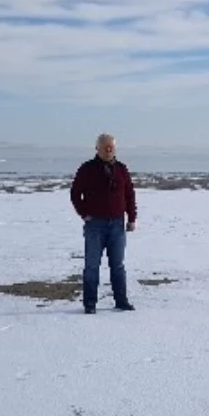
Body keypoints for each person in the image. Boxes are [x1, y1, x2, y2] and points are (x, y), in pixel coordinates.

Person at [70, 133, 137, 314]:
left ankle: (121, 301)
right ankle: (90, 304)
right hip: (95, 226)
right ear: (97, 148)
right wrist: (84, 213)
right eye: (105, 146)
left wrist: (132, 218)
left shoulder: (122, 169)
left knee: (118, 266)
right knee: (92, 266)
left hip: (117, 225)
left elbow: (129, 195)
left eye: (111, 147)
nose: (109, 149)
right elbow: (75, 193)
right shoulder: (87, 169)